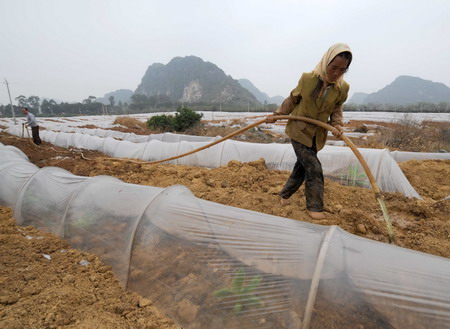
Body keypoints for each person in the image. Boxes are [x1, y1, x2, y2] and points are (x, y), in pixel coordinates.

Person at [267, 43, 352, 219]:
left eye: (342, 70)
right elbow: (293, 99)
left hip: (317, 135)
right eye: (333, 67)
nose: (336, 73)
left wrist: (337, 125)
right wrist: (278, 114)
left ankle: (284, 194)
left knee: (302, 167)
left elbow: (336, 110)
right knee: (313, 167)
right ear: (325, 62)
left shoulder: (342, 88)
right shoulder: (308, 79)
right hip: (299, 130)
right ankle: (314, 206)